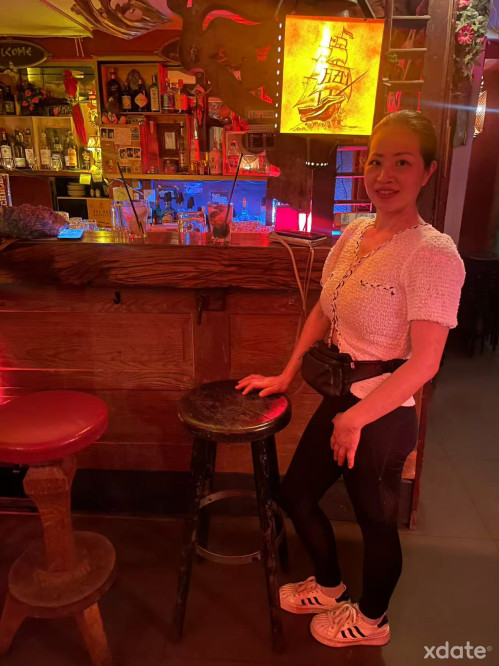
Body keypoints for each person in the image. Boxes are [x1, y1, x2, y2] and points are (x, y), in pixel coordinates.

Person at [236, 110, 465, 649]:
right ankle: (331, 584)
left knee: (376, 523)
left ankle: (372, 620)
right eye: (377, 161)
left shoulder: (433, 254)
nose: (385, 175)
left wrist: (356, 418)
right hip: (342, 398)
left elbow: (425, 363)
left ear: (428, 172)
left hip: (383, 413)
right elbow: (323, 309)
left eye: (402, 163)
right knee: (296, 494)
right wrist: (287, 374)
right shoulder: (357, 230)